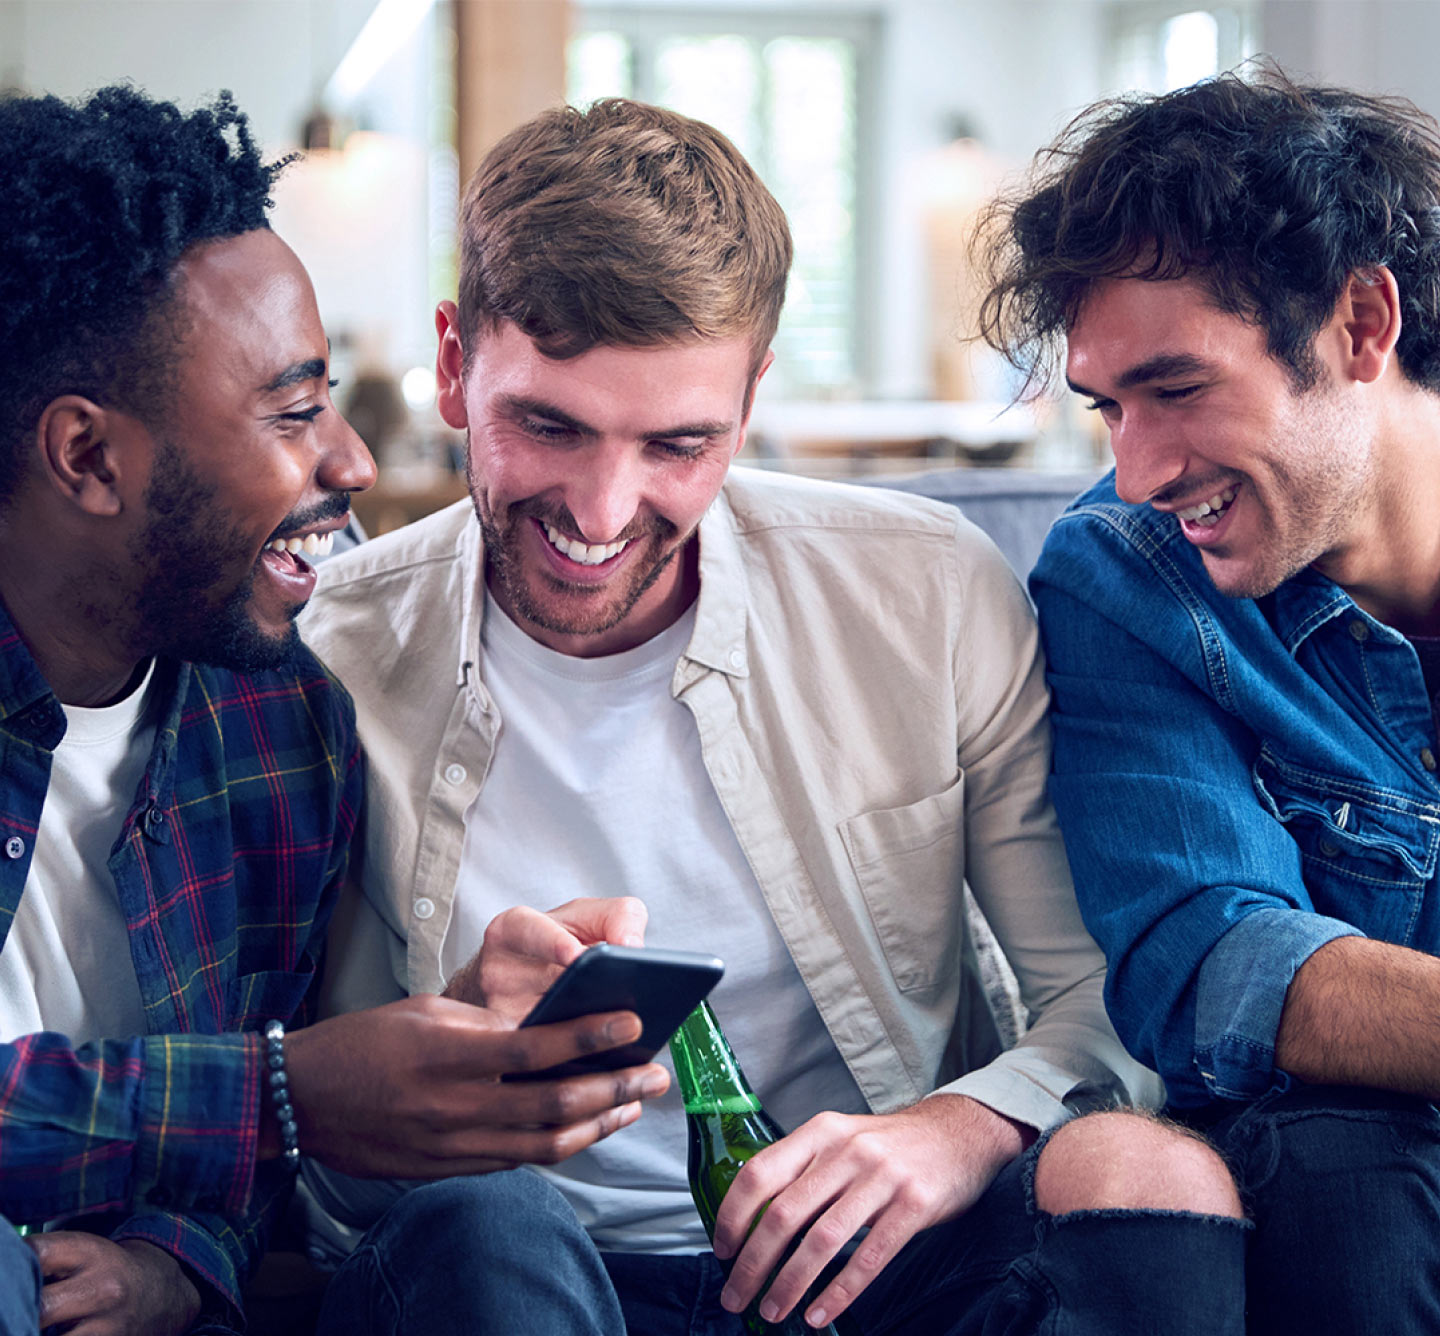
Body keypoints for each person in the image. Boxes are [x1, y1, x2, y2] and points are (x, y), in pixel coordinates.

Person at [300, 96, 1247, 1336]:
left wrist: (954, 1130)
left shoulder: (925, 591)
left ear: (750, 403)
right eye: (548, 425)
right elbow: (310, 1169)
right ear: (452, 365)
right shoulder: (326, 648)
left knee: (1150, 1176)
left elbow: (1103, 1000)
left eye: (678, 444)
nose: (600, 511)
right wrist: (449, 1068)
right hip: (508, 1270)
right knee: (491, 1225)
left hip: (872, 1263)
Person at [0, 86, 668, 1336]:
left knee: (496, 1223)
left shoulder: (282, 725)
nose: (354, 464)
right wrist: (286, 1093)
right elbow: (261, 1092)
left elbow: (250, 1153)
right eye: (296, 410)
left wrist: (178, 1254)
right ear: (88, 457)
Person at [980, 66, 1440, 1334]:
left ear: (1360, 325)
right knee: (1339, 1160)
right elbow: (1209, 957)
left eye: (1176, 391)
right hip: (1358, 1188)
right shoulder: (1124, 577)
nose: (1135, 473)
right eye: (1107, 408)